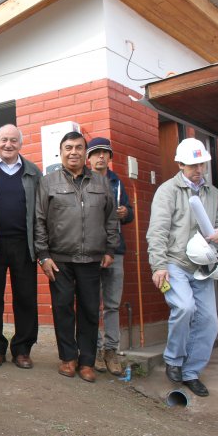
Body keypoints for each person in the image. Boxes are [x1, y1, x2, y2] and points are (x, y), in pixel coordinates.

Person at [146, 138, 218, 397]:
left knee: (209, 321)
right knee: (184, 307)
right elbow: (157, 231)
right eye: (193, 165)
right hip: (175, 262)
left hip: (203, 266)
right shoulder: (167, 191)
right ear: (181, 164)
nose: (198, 169)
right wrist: (158, 265)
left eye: (202, 164)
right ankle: (173, 359)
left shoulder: (213, 193)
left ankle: (191, 372)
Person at [35, 131, 118, 383]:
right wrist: (43, 255)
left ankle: (86, 362)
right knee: (62, 309)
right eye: (68, 147)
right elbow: (39, 219)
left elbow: (111, 218)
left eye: (79, 147)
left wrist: (109, 249)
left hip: (92, 259)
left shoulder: (101, 183)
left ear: (85, 152)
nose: (74, 152)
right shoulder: (48, 181)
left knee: (90, 311)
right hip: (59, 260)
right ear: (61, 152)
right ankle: (68, 359)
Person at [0, 124, 41, 369]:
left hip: (24, 245)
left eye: (13, 140)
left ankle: (22, 350)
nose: (8, 144)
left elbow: (40, 212)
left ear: (20, 144)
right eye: (4, 139)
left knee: (26, 298)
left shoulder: (34, 172)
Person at [86, 137, 134, 376]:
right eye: (96, 153)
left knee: (112, 304)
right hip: (91, 251)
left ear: (110, 158)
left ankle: (111, 350)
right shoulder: (82, 181)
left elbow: (128, 214)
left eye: (105, 153)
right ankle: (93, 349)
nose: (101, 157)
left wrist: (126, 212)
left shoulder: (117, 183)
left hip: (115, 251)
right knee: (91, 303)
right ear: (89, 158)